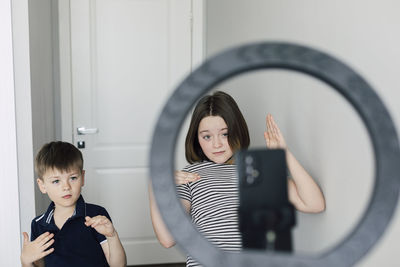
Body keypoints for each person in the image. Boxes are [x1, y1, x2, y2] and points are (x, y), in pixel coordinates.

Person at [149, 91, 325, 267]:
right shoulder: (189, 175)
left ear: (237, 131)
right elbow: (167, 238)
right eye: (207, 136)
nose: (216, 144)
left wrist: (284, 154)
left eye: (224, 134)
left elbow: (314, 204)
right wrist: (155, 183)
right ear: (197, 138)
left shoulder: (258, 168)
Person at [20, 141, 127, 267]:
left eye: (73, 178)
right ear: (42, 186)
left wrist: (112, 236)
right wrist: (26, 261)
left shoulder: (96, 216)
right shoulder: (38, 225)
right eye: (56, 181)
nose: (66, 187)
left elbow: (119, 265)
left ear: (82, 177)